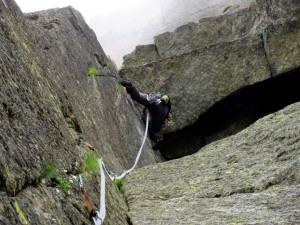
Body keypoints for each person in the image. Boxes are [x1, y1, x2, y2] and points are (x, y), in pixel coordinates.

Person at [118, 80, 172, 150]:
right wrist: (161, 138)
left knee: (138, 97)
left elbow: (140, 95)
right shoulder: (165, 113)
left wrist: (132, 90)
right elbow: (161, 126)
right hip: (162, 109)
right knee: (153, 133)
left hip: (156, 100)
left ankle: (129, 86)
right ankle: (158, 140)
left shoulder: (153, 96)